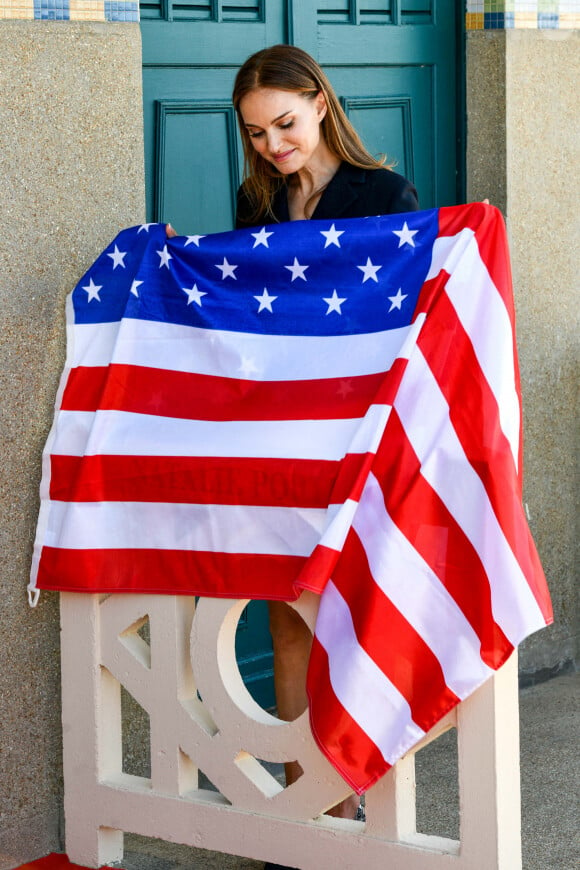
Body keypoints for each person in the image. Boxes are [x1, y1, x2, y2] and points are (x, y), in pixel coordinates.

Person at [231, 43, 420, 848]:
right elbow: (247, 309)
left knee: (354, 618)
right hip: (283, 433)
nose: (275, 146)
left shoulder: (385, 193)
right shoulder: (256, 200)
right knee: (286, 611)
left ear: (318, 102)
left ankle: (358, 802)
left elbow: (407, 317)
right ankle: (307, 808)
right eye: (257, 133)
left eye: (286, 123)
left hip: (359, 430)